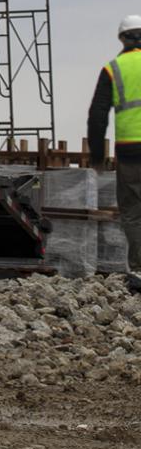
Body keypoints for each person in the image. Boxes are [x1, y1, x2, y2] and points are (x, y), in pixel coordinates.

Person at [87, 15, 141, 294]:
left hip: (130, 149)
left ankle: (140, 270)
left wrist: (97, 154)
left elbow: (97, 115)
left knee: (132, 212)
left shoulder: (114, 69)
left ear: (122, 39)